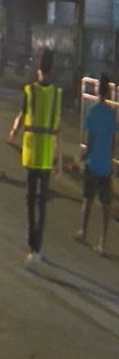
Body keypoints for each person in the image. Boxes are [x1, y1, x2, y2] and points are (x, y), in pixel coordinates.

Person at [8, 48, 61, 265]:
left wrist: (13, 132)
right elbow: (57, 130)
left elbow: (21, 116)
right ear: (52, 67)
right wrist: (59, 160)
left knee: (30, 200)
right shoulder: (57, 94)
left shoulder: (30, 90)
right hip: (47, 155)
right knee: (42, 203)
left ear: (38, 67)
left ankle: (32, 245)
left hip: (30, 153)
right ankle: (38, 246)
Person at [77, 74, 114, 254]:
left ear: (99, 89)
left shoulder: (92, 111)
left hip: (93, 162)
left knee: (88, 199)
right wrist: (111, 158)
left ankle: (83, 232)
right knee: (105, 204)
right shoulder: (111, 114)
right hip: (106, 164)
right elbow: (113, 140)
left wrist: (85, 155)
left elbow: (90, 139)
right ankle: (102, 241)